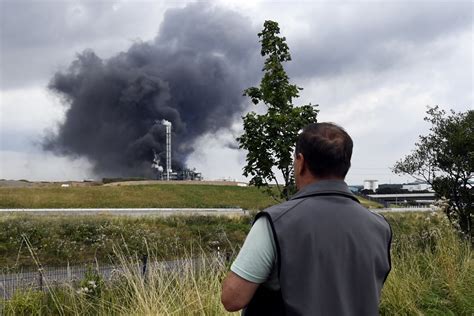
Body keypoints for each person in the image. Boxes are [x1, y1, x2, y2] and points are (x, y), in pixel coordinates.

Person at [221, 122, 392, 315]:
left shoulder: (275, 223)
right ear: (346, 166)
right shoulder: (380, 227)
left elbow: (232, 298)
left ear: (300, 162)